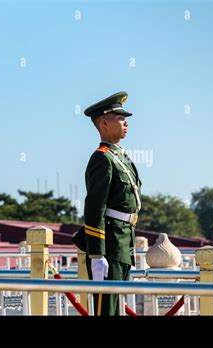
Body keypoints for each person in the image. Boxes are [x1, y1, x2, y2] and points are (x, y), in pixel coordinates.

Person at [73, 91, 141, 316]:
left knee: (117, 307)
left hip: (123, 242)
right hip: (110, 244)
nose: (126, 122)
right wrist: (96, 254)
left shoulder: (120, 157)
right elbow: (95, 209)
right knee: (107, 310)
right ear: (103, 122)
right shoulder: (102, 158)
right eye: (120, 118)